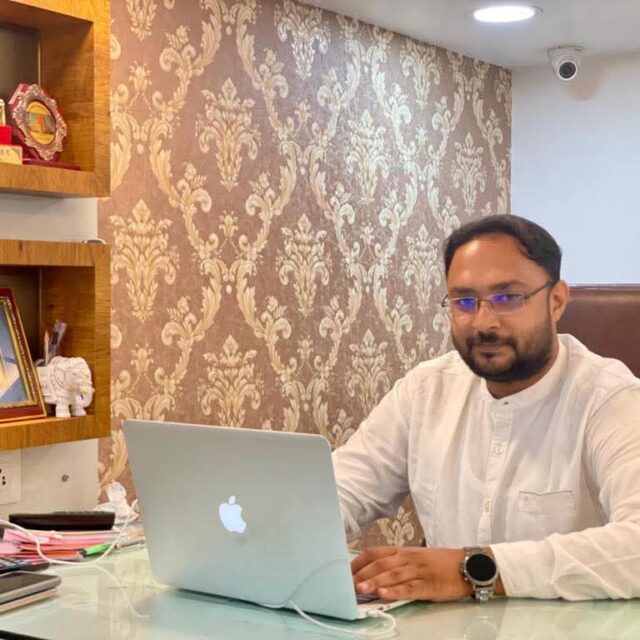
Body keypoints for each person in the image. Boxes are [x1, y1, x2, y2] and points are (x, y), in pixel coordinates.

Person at [332, 214, 640, 602]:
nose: (483, 322)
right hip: (449, 627)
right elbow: (341, 491)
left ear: (556, 301)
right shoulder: (426, 389)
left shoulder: (611, 399)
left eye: (507, 298)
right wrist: (281, 530)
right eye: (464, 301)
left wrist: (474, 569)